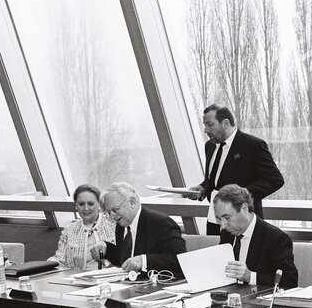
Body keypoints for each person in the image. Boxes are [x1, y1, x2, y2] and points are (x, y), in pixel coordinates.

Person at [187, 104, 284, 235]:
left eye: (210, 125)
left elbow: (275, 180)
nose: (205, 130)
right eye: (205, 125)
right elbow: (215, 179)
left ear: (225, 123)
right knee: (216, 254)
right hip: (215, 221)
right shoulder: (209, 146)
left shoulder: (252, 145)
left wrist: (240, 196)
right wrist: (203, 187)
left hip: (243, 222)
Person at [91, 182, 186, 277]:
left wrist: (143, 261)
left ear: (132, 202)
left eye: (115, 210)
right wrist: (106, 248)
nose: (112, 216)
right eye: (108, 212)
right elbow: (127, 259)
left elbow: (179, 259)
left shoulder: (161, 223)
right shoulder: (121, 224)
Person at [214, 184, 297, 288]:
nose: (223, 225)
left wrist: (250, 277)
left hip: (258, 301)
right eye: (219, 219)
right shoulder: (227, 234)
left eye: (227, 217)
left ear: (244, 208)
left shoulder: (275, 238)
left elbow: (290, 281)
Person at [49, 184, 116, 270]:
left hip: (109, 278)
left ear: (99, 204)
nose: (86, 208)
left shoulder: (113, 223)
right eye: (81, 204)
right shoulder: (69, 230)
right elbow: (60, 260)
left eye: (90, 204)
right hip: (76, 280)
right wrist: (50, 263)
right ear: (76, 205)